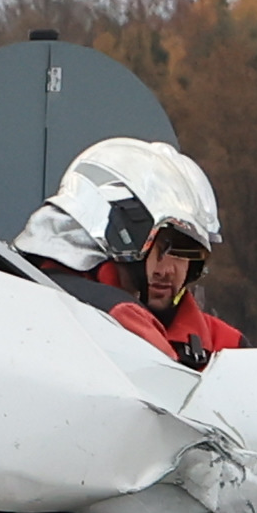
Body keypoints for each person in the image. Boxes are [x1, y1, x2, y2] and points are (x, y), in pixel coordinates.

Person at [17, 136, 244, 367]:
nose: (166, 270)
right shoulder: (119, 318)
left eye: (184, 252)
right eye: (159, 248)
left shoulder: (227, 347)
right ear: (118, 236)